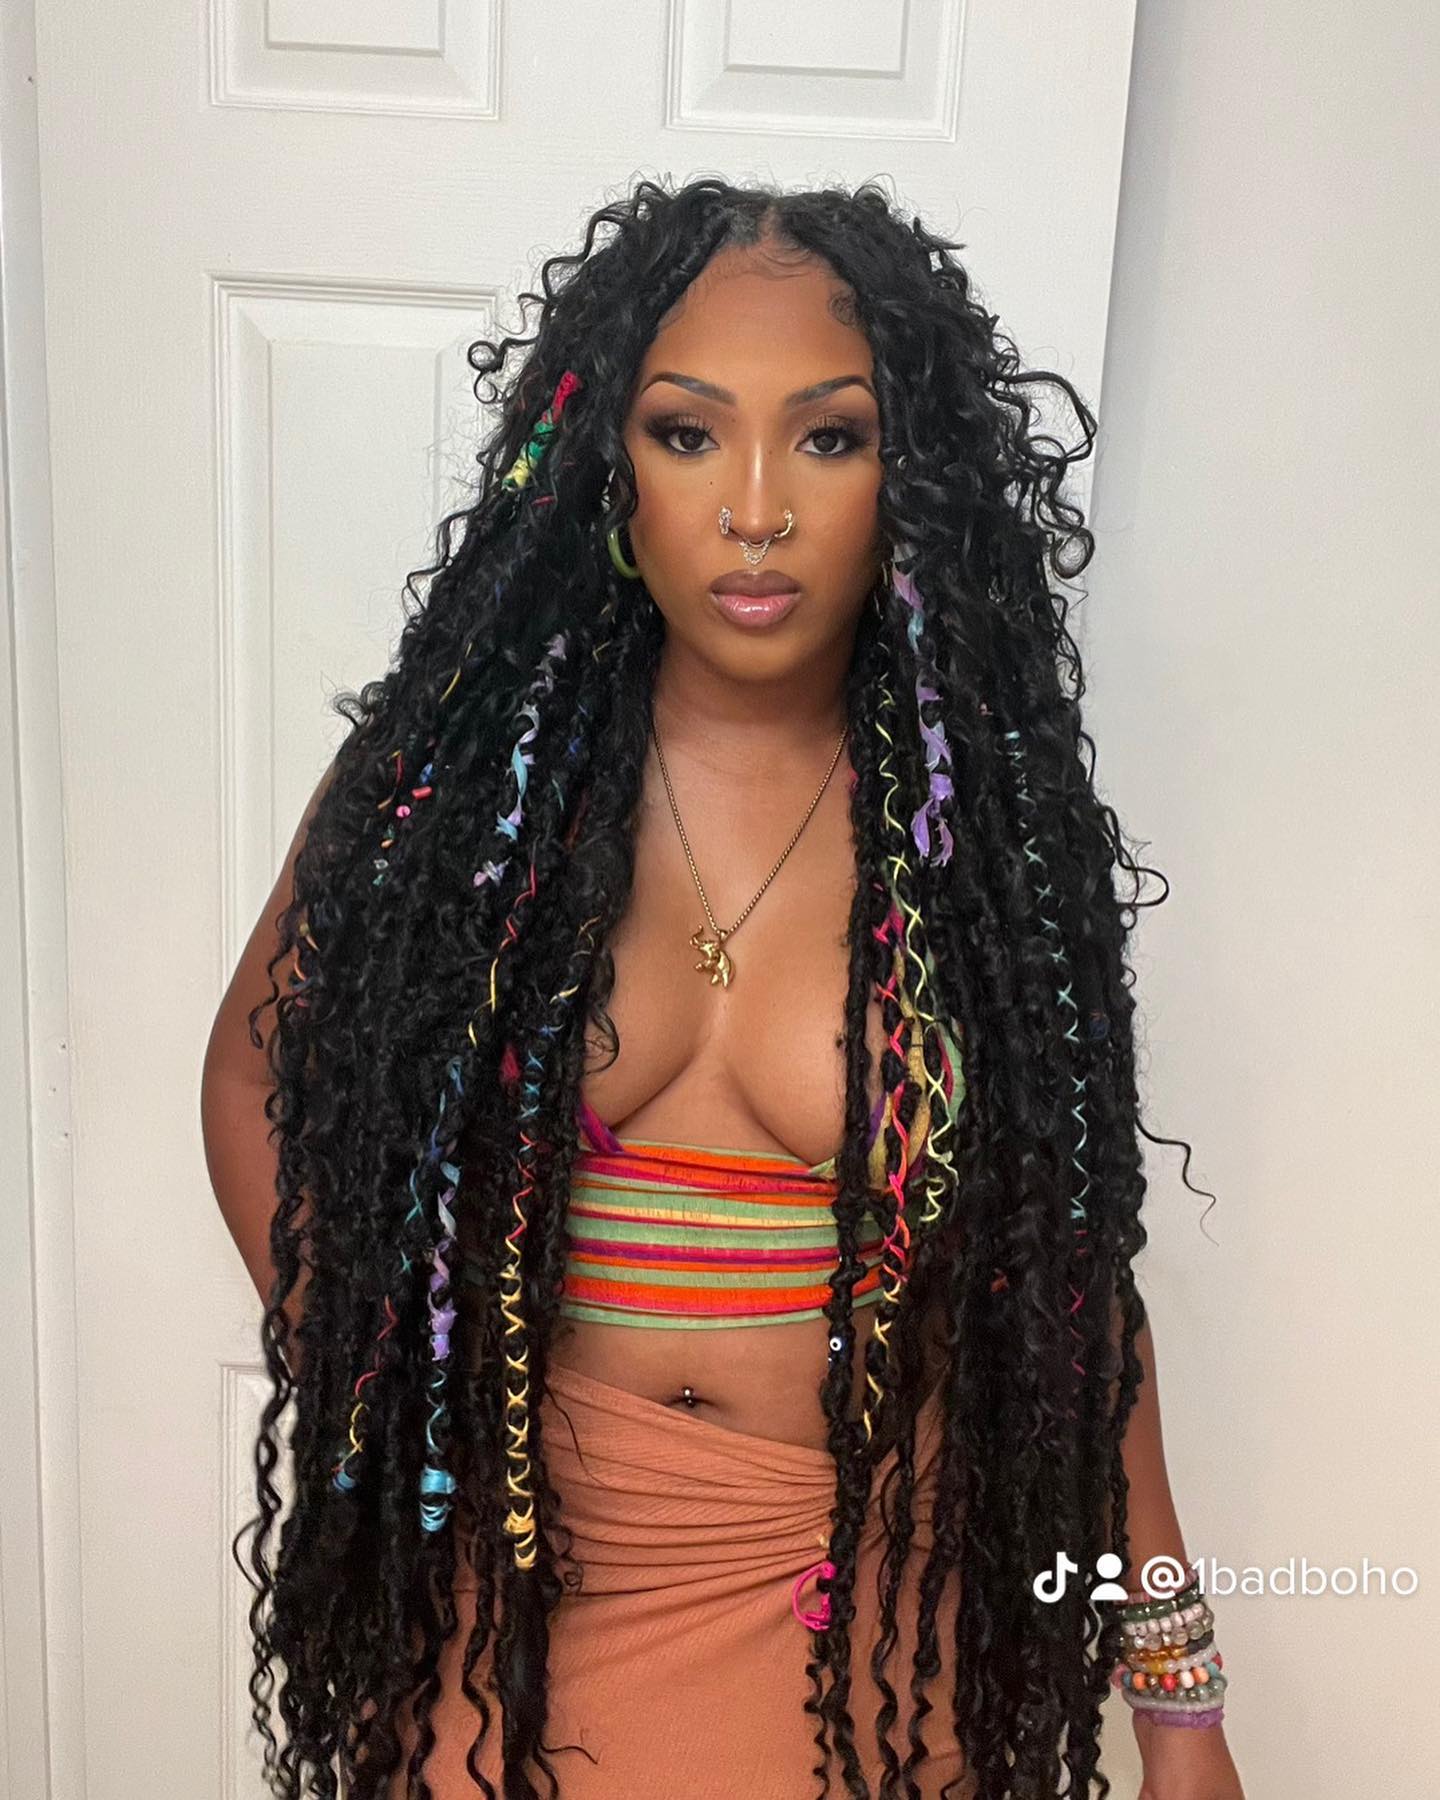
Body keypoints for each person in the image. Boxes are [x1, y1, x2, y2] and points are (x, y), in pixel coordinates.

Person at [201, 176, 1246, 1799]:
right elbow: (249, 1076)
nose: (756, 509)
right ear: (603, 463)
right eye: (688, 433)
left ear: (913, 477)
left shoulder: (977, 843)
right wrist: (385, 1376)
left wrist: (1182, 1712)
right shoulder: (460, 790)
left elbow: (1070, 1287)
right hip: (512, 1597)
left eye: (829, 437)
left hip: (865, 1636)